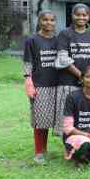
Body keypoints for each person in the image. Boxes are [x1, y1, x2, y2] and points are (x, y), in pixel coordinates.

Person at [24, 10, 59, 164]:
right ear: (39, 21)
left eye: (52, 20)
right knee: (40, 118)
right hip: (40, 85)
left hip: (57, 84)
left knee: (54, 118)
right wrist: (28, 81)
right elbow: (27, 62)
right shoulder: (32, 40)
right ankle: (39, 152)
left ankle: (48, 150)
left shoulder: (59, 40)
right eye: (45, 20)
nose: (48, 23)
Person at [54, 4, 90, 134]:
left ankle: (82, 146)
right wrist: (81, 76)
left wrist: (88, 78)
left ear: (89, 16)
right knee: (67, 117)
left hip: (87, 83)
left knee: (83, 116)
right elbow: (63, 58)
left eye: (84, 15)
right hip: (68, 82)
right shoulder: (65, 34)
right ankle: (68, 146)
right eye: (78, 14)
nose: (81, 17)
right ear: (72, 15)